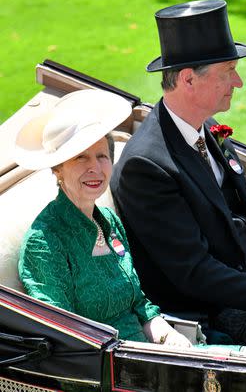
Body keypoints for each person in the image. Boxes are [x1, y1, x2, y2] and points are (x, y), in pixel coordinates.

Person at [110, 0, 246, 354]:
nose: (239, 81)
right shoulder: (146, 167)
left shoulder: (207, 130)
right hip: (216, 313)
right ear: (187, 79)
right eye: (228, 70)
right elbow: (194, 273)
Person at [15, 89, 192, 347]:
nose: (94, 168)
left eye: (101, 156)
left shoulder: (108, 219)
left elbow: (138, 304)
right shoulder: (44, 242)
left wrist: (170, 337)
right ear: (58, 169)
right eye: (80, 157)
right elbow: (64, 338)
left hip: (152, 350)